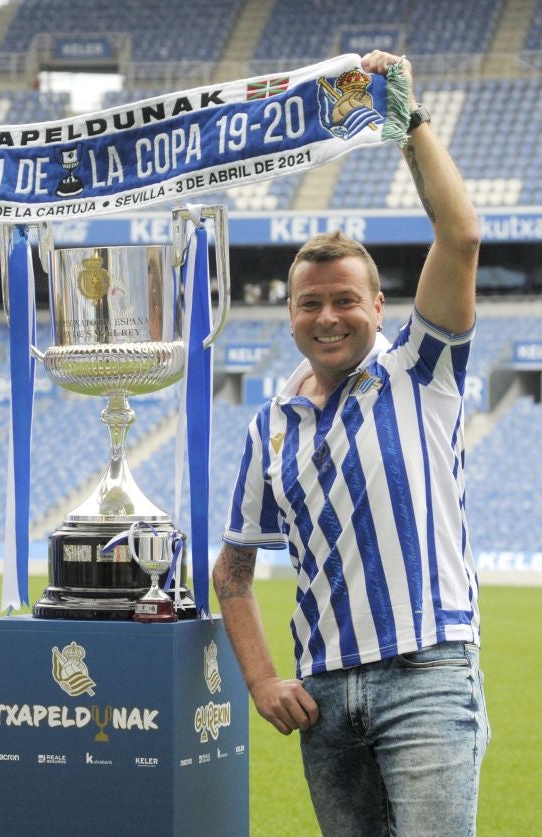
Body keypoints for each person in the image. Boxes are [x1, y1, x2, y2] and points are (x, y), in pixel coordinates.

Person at [213, 51, 489, 836]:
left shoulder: (419, 369)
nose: (327, 317)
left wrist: (410, 122)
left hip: (426, 675)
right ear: (289, 314)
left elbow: (462, 235)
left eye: (345, 300)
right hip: (326, 695)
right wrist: (262, 679)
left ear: (379, 304)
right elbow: (233, 571)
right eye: (309, 304)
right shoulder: (270, 424)